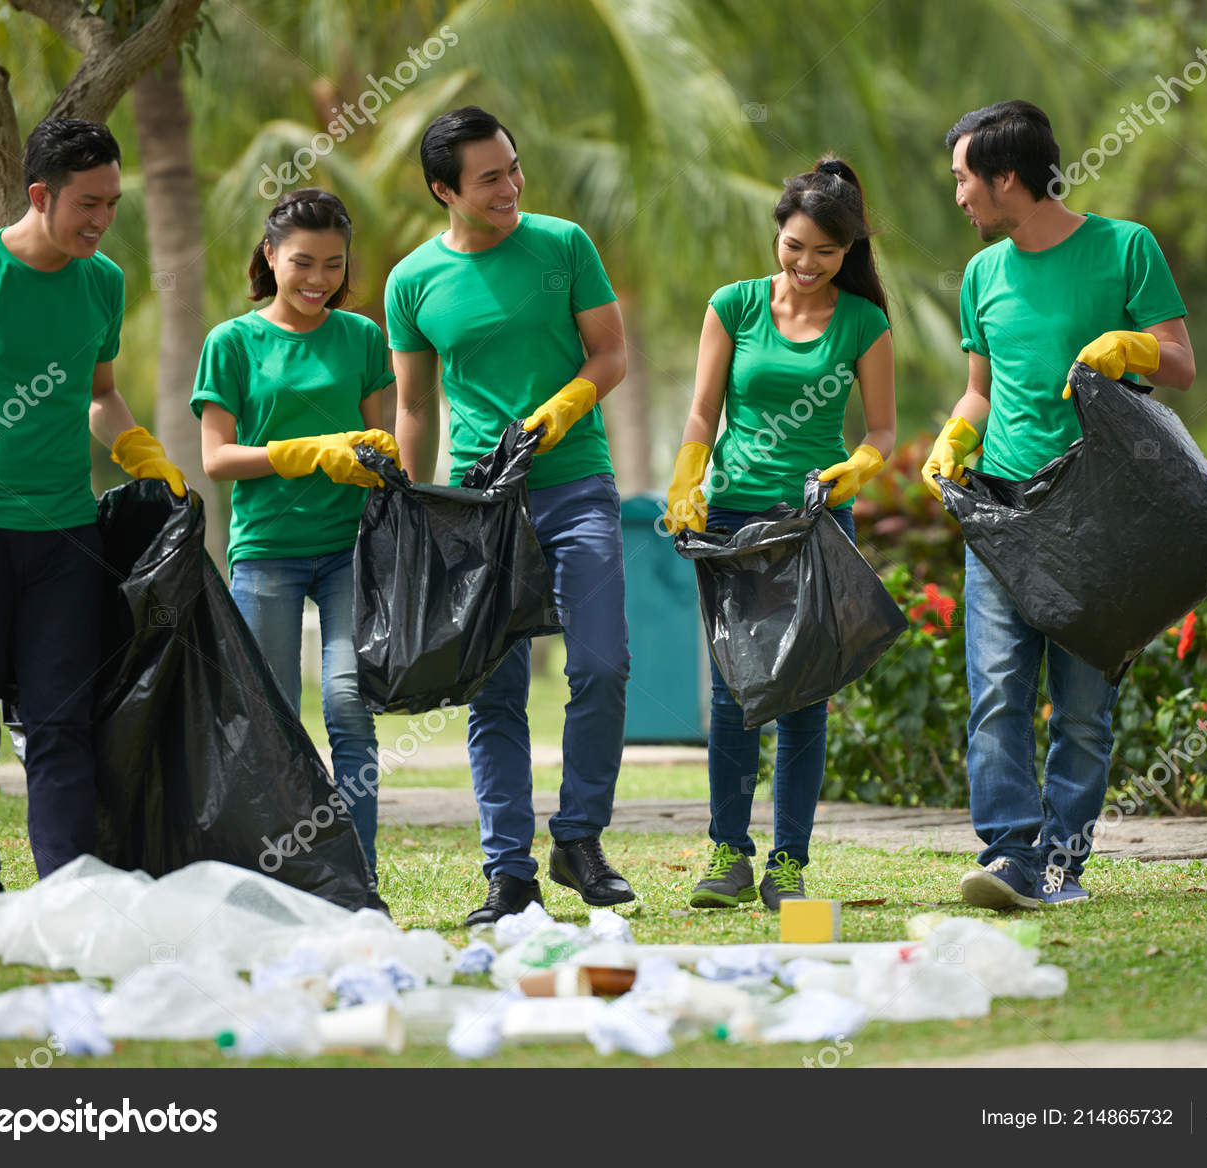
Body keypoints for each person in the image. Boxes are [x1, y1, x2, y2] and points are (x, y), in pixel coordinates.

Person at [0, 118, 187, 901]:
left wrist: (139, 451)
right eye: (87, 203)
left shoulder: (103, 282)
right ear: (41, 194)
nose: (101, 220)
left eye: (112, 204)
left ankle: (69, 886)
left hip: (64, 539)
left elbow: (100, 393)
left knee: (59, 722)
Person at [923, 100, 1195, 909]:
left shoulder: (1125, 248)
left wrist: (1133, 345)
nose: (961, 198)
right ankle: (1011, 855)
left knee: (1080, 707)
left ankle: (1060, 866)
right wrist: (955, 439)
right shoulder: (982, 274)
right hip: (1002, 511)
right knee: (998, 690)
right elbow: (980, 392)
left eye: (965, 180)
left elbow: (1180, 362)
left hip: (1099, 513)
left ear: (1007, 178)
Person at [384, 106, 634, 924]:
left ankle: (580, 837)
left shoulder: (564, 247)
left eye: (513, 168)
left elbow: (610, 353)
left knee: (601, 663)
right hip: (478, 503)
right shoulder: (413, 282)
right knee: (495, 690)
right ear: (443, 190)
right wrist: (412, 515)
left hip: (574, 483)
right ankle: (509, 872)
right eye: (489, 177)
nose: (510, 186)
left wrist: (564, 409)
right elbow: (416, 407)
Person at [664, 157, 895, 910]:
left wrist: (850, 473)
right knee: (735, 692)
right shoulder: (733, 306)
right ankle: (728, 854)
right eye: (795, 246)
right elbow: (703, 412)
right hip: (733, 522)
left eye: (825, 252)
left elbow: (883, 433)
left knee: (804, 696)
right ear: (779, 235)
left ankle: (788, 864)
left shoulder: (864, 322)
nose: (806, 263)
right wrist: (688, 475)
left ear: (849, 252)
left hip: (816, 522)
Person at [191, 188, 398, 873]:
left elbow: (382, 443)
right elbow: (216, 459)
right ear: (271, 255)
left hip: (349, 552)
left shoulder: (363, 338)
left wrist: (373, 460)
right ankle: (280, 873)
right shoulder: (232, 343)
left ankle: (357, 873)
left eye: (334, 265)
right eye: (303, 262)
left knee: (347, 704)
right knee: (274, 723)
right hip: (267, 552)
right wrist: (303, 450)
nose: (318, 280)